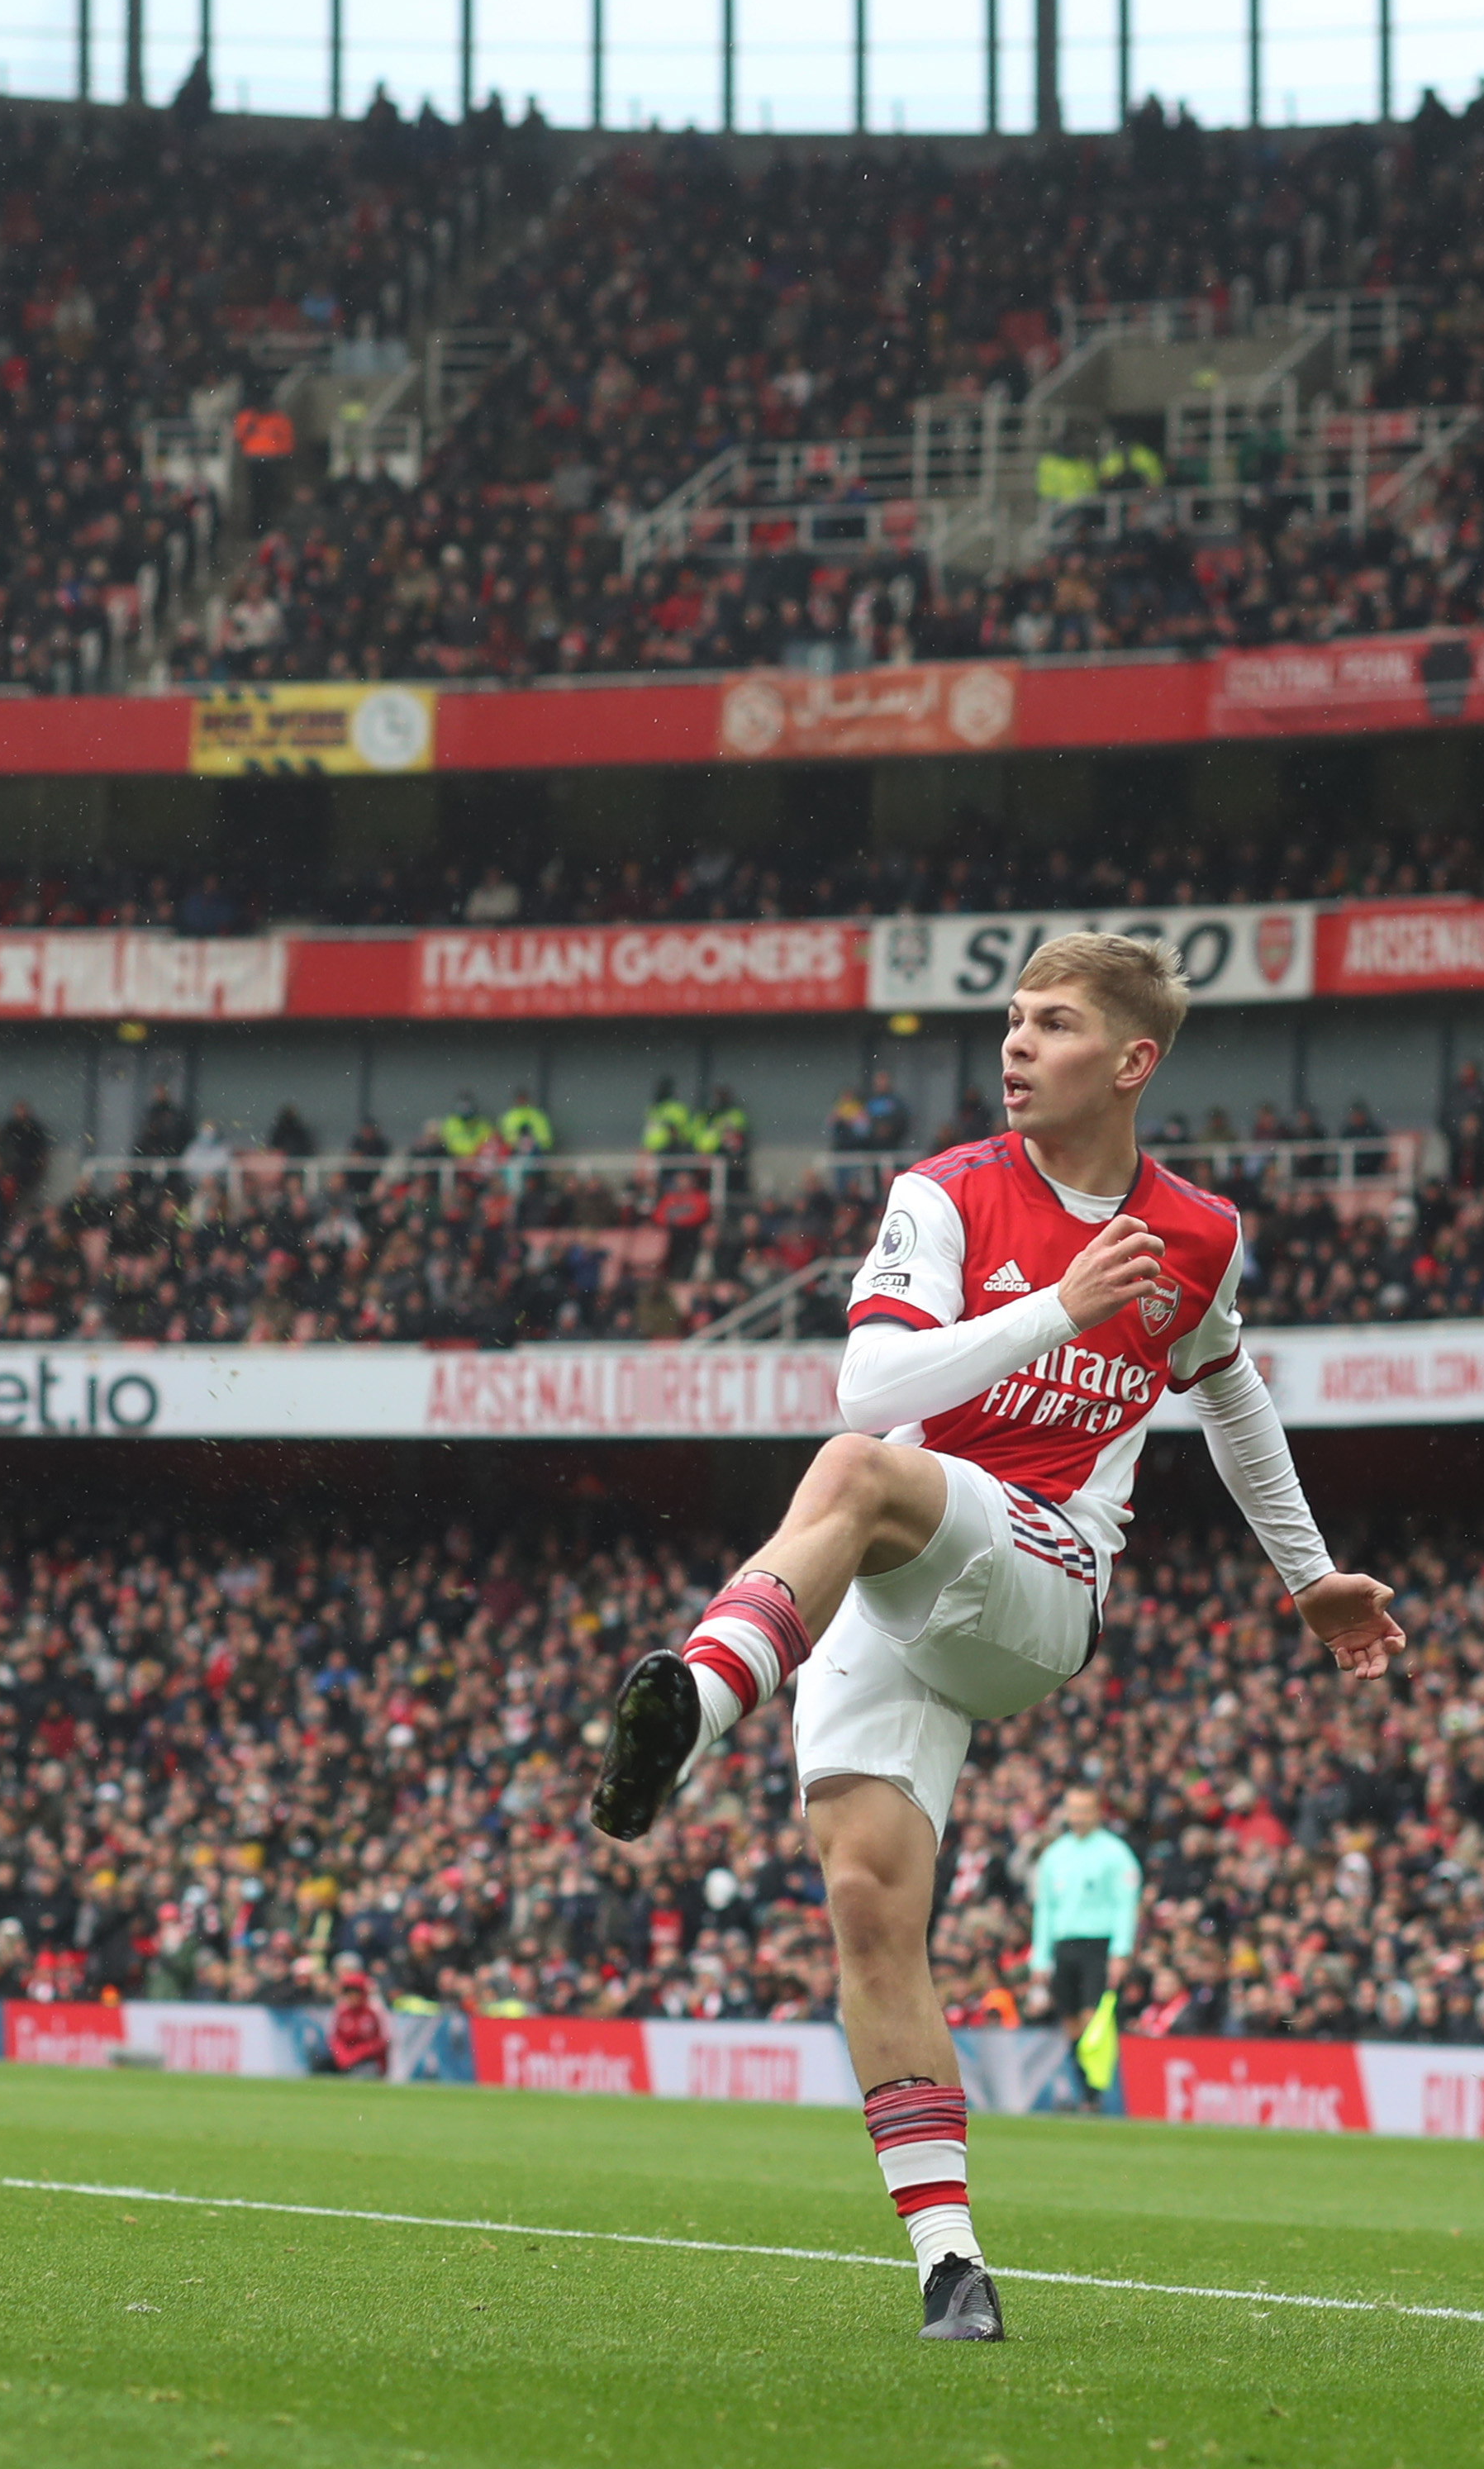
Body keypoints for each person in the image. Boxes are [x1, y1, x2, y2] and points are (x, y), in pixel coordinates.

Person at [583, 930, 1400, 2344]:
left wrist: (1309, 1572)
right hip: (895, 1579)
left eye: (1056, 1025)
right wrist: (1056, 1308)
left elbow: (1232, 1391)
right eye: (1014, 1020)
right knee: (867, 1907)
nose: (1017, 1045)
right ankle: (952, 2267)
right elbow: (874, 1370)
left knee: (853, 1470)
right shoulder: (946, 1192)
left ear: (1133, 1062)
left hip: (1040, 1578)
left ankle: (694, 1709)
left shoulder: (1194, 1232)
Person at [1030, 1787, 1140, 2113]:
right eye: (1072, 1810)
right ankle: (1085, 2094)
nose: (1077, 1817)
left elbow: (1125, 1905)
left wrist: (1121, 1951)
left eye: (1084, 1810)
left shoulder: (1115, 1854)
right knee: (1071, 2025)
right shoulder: (1054, 1855)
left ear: (1097, 1812)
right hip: (1065, 1945)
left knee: (1093, 2022)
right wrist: (1040, 1957)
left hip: (1099, 1945)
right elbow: (1045, 1909)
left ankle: (1093, 2095)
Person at [1439, 1059, 1484, 1190]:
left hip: (1479, 1146)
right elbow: (1443, 1117)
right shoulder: (1453, 1094)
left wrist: (1477, 1125)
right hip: (1457, 1145)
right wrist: (1459, 1127)